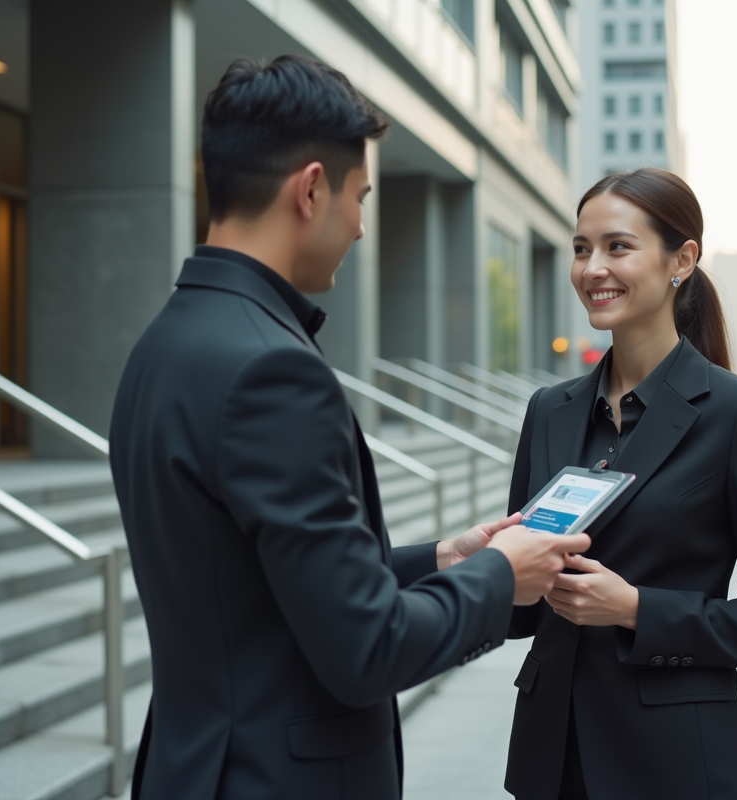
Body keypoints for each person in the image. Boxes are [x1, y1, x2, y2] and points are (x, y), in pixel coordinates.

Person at [109, 55, 590, 800]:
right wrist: (504, 575)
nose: (363, 226)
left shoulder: (163, 343)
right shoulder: (272, 369)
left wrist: (442, 559)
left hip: (195, 766)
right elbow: (367, 646)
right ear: (310, 189)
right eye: (361, 197)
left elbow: (254, 586)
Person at [503, 168, 737, 800]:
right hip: (551, 758)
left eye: (618, 246)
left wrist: (637, 610)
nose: (593, 269)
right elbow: (519, 603)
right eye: (582, 248)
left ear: (683, 259)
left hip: (673, 762)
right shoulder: (549, 408)